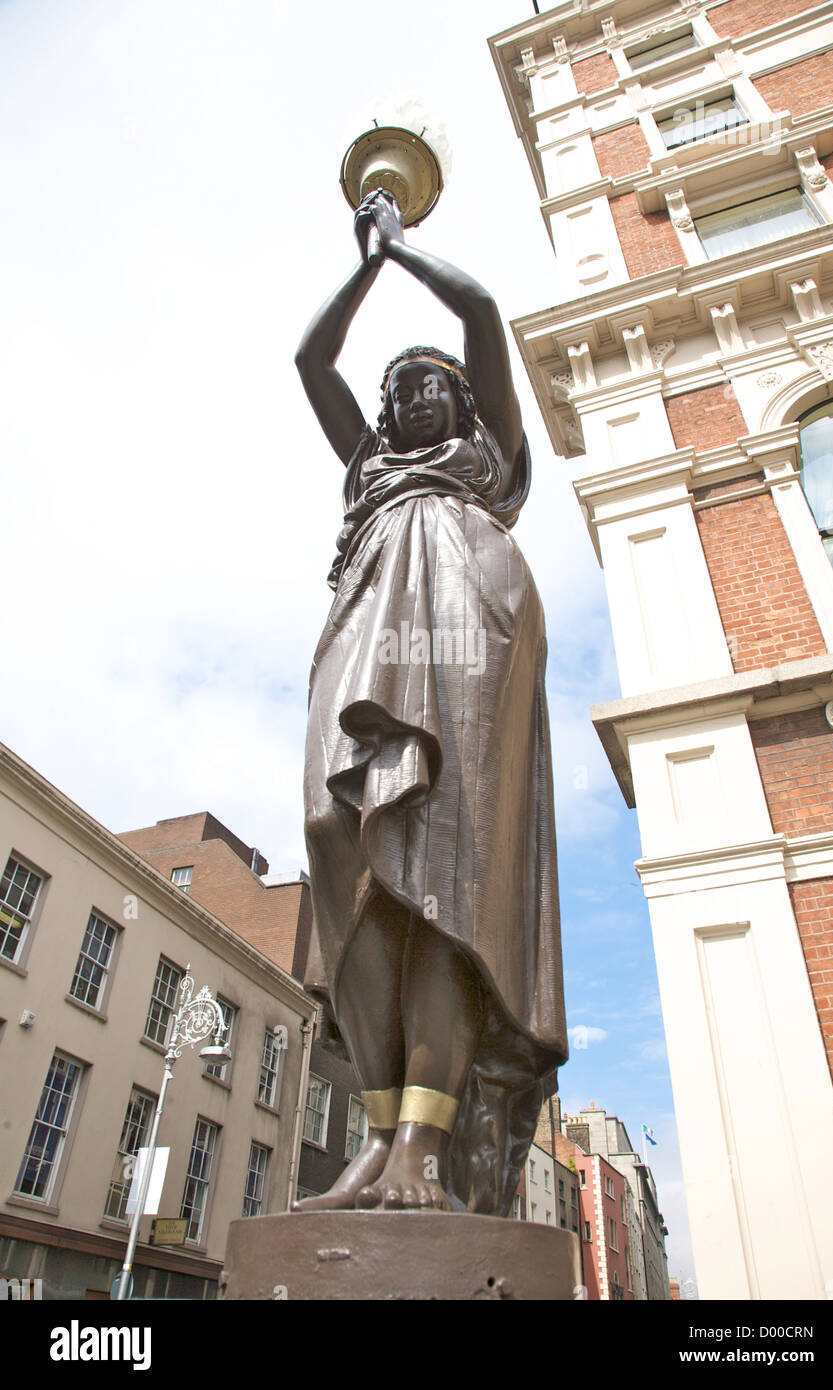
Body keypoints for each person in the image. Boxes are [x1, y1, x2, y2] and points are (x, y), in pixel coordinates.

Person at [292, 189, 566, 1215]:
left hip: (468, 633)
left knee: (447, 880)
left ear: (462, 404)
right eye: (397, 385)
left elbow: (484, 315)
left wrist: (405, 249)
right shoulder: (370, 468)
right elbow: (312, 364)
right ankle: (375, 1131)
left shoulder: (487, 464)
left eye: (429, 383)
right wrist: (362, 267)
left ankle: (420, 1140)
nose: (411, 396)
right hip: (365, 636)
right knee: (339, 837)